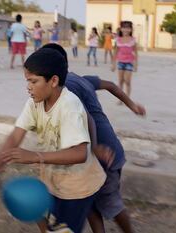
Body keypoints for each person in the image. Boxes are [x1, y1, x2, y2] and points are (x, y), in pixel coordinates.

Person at [0, 48, 106, 233]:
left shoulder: (69, 106)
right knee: (45, 221)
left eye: (34, 81)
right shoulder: (34, 102)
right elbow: (15, 136)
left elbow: (80, 153)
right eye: (27, 81)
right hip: (51, 182)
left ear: (54, 80)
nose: (29, 87)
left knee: (61, 229)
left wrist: (34, 156)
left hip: (76, 187)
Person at [42, 43, 145, 233]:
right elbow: (111, 86)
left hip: (103, 153)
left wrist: (94, 147)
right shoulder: (80, 79)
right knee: (89, 200)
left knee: (110, 202)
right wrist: (132, 105)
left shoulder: (67, 89)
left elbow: (84, 117)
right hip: (99, 151)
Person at [112, 21, 138, 99]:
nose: (126, 30)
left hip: (129, 63)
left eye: (128, 28)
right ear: (121, 29)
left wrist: (136, 64)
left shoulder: (133, 40)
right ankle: (121, 99)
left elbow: (136, 52)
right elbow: (115, 52)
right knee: (120, 81)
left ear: (131, 29)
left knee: (127, 81)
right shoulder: (118, 39)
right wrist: (113, 64)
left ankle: (127, 99)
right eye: (124, 28)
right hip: (120, 63)